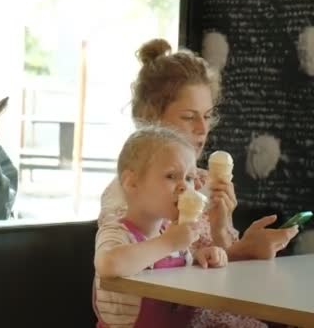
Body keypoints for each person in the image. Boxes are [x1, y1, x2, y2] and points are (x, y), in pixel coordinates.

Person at [99, 38, 299, 327]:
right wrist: (241, 252)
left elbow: (221, 271)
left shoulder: (204, 179)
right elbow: (131, 269)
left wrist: (222, 229)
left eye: (206, 116)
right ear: (151, 119)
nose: (202, 128)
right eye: (189, 117)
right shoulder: (131, 191)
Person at [93, 125, 228, 328]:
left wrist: (201, 258)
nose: (184, 186)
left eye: (189, 178)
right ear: (132, 183)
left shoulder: (171, 234)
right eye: (171, 176)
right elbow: (108, 265)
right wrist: (168, 243)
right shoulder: (118, 232)